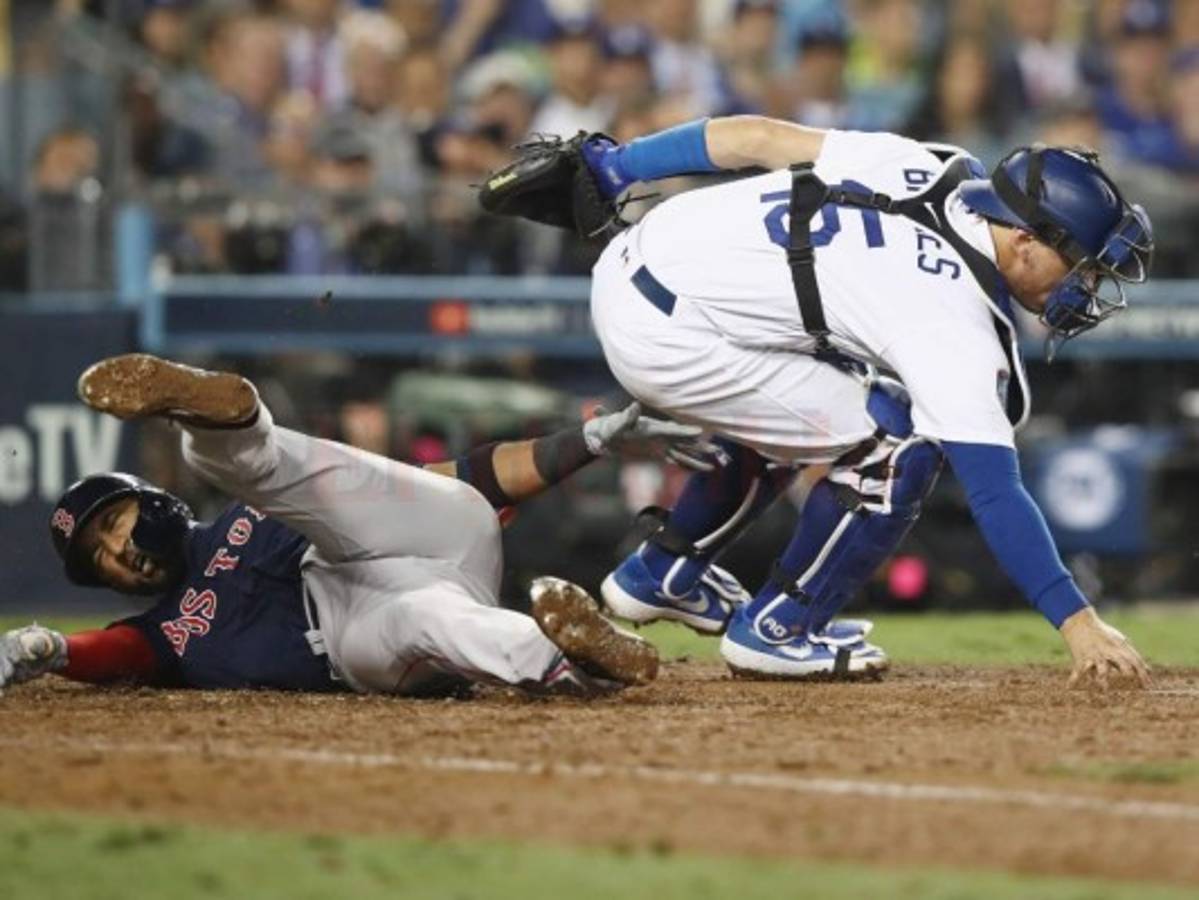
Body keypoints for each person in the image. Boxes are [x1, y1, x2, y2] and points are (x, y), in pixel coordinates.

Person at [573, 115, 1154, 687]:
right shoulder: (950, 323)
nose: (1087, 284)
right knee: (895, 438)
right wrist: (1078, 621)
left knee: (817, 402)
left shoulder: (933, 163)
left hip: (643, 260)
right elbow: (996, 492)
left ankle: (664, 571)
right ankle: (778, 630)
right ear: (1025, 241)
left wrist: (617, 164)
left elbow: (755, 138)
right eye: (1081, 264)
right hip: (670, 338)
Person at [0, 354, 717, 698]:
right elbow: (108, 654)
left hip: (423, 536)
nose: (118, 553)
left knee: (280, 479)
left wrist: (590, 440)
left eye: (114, 525)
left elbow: (468, 483)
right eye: (99, 557)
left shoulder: (252, 515)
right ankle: (580, 656)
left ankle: (218, 421)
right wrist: (52, 648)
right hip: (354, 633)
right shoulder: (162, 634)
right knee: (427, 618)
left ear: (153, 503)